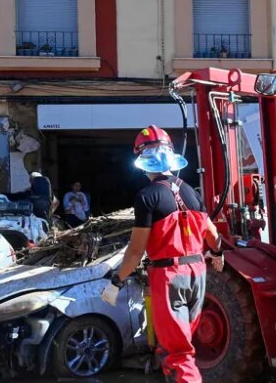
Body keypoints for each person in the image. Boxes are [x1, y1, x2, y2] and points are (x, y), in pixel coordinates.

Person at [101, 125, 223, 383]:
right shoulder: (192, 192)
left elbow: (135, 252)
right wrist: (218, 255)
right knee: (182, 345)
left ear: (143, 161)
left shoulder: (147, 197)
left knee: (176, 351)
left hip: (169, 276)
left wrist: (116, 281)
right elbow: (213, 236)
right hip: (197, 275)